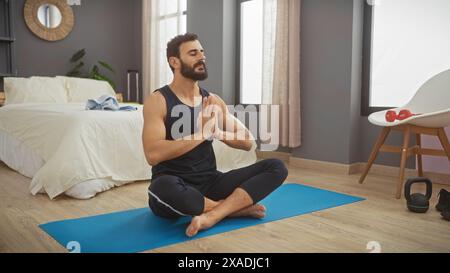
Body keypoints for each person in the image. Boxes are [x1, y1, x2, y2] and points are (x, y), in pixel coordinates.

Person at [142, 33, 288, 237]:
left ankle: (213, 214)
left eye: (202, 52)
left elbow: (247, 142)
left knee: (276, 167)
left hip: (210, 182)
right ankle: (233, 209)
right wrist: (202, 133)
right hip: (174, 183)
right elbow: (153, 154)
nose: (201, 57)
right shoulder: (158, 100)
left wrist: (217, 132)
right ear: (174, 62)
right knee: (162, 188)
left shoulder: (213, 100)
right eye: (193, 53)